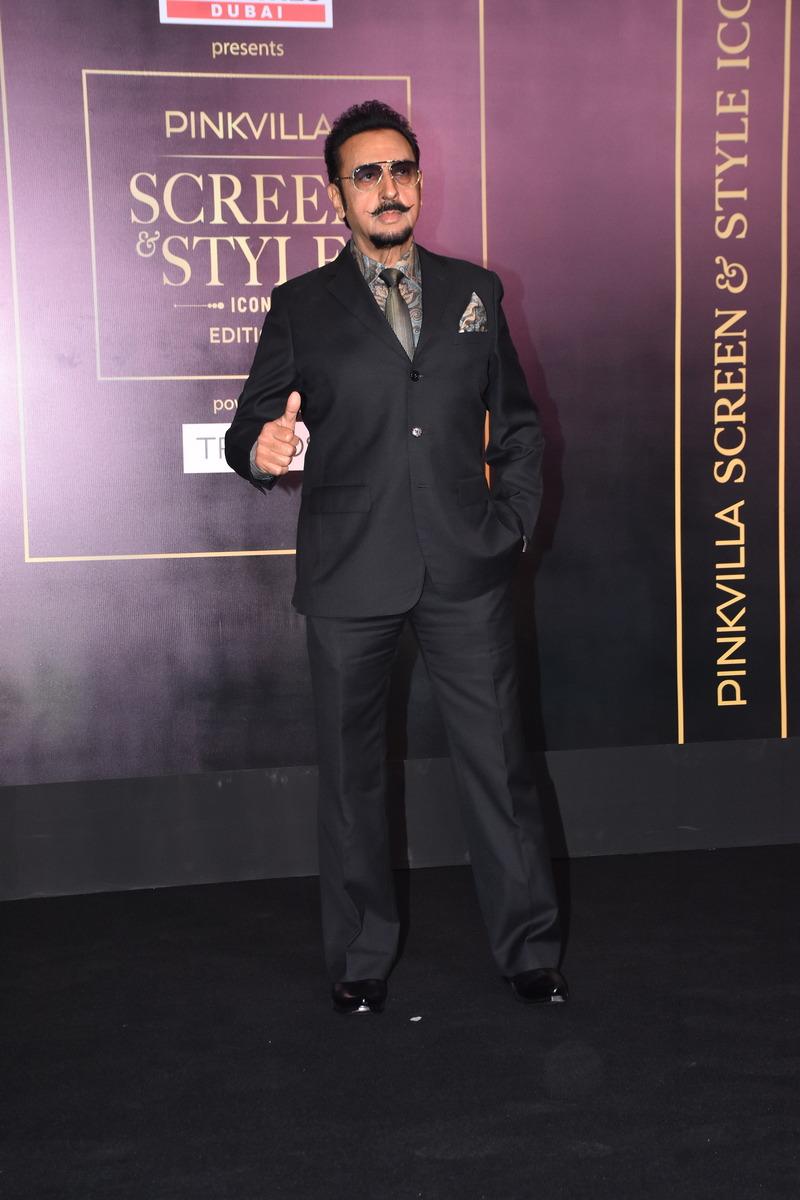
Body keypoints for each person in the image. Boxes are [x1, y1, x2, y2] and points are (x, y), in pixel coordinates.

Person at [225, 100, 567, 1013]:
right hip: (349, 571)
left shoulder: (475, 292)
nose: (388, 187)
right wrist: (258, 448)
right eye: (366, 173)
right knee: (352, 778)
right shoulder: (300, 305)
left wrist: (511, 524)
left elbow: (519, 428)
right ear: (337, 195)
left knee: (499, 764)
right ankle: (360, 960)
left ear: (420, 181)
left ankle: (530, 950)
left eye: (401, 169)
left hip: (466, 568)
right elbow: (249, 425)